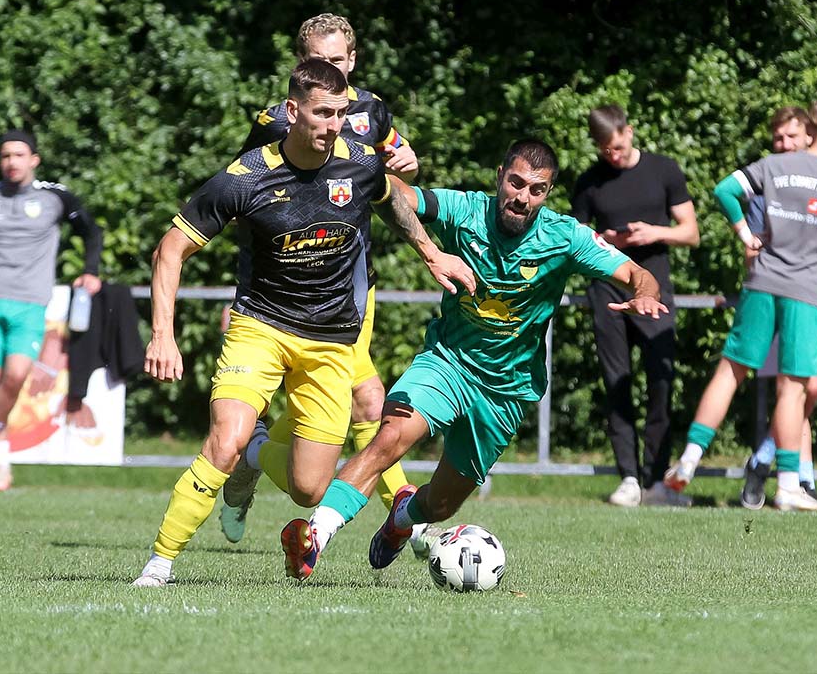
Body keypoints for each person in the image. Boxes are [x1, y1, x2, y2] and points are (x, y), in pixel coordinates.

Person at [132, 59, 474, 587]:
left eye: (340, 113)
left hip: (332, 340)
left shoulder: (360, 164)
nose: (333, 124)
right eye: (321, 113)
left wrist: (431, 253)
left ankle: (255, 452)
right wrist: (162, 334)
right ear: (293, 111)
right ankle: (160, 563)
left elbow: (394, 203)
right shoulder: (246, 177)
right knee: (224, 438)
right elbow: (170, 249)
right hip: (260, 327)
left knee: (310, 490)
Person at [279, 139, 668, 581]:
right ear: (500, 176)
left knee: (442, 503)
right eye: (516, 182)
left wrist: (644, 295)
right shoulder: (464, 210)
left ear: (548, 193)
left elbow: (638, 273)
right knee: (391, 435)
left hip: (506, 390)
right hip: (448, 363)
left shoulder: (565, 237)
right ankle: (316, 536)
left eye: (536, 190)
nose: (522, 197)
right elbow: (402, 196)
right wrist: (378, 175)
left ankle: (403, 517)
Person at [218, 13, 424, 548]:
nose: (327, 68)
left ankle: (256, 457)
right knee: (368, 399)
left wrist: (409, 163)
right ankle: (406, 518)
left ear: (352, 61)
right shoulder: (275, 122)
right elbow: (248, 208)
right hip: (288, 290)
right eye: (316, 60)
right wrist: (241, 292)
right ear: (299, 65)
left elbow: (392, 179)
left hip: (356, 279)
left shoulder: (374, 111)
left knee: (354, 405)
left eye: (336, 60)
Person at [665, 99, 817, 511]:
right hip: (807, 293)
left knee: (730, 370)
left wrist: (745, 234)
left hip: (762, 283)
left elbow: (725, 190)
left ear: (809, 129)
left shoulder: (774, 166)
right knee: (792, 390)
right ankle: (788, 485)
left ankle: (689, 459)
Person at [0, 130, 103, 491]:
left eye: (19, 155)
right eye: (6, 156)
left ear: (34, 159)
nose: (12, 162)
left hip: (30, 303)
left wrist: (91, 270)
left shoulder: (56, 196)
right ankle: (1, 467)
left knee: (16, 377)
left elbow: (92, 231)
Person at [571, 105, 699, 507]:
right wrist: (606, 240)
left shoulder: (664, 170)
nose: (613, 154)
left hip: (655, 287)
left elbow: (691, 232)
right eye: (604, 149)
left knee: (660, 379)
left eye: (617, 145)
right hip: (607, 289)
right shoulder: (589, 182)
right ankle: (628, 477)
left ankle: (657, 480)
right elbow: (576, 239)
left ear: (629, 131)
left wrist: (652, 233)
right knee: (617, 381)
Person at [740, 106, 817, 509]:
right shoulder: (768, 181)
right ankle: (801, 482)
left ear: (810, 136)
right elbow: (752, 246)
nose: (785, 144)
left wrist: (806, 271)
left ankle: (761, 461)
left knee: (813, 384)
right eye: (779, 139)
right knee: (792, 389)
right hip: (781, 293)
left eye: (793, 136)